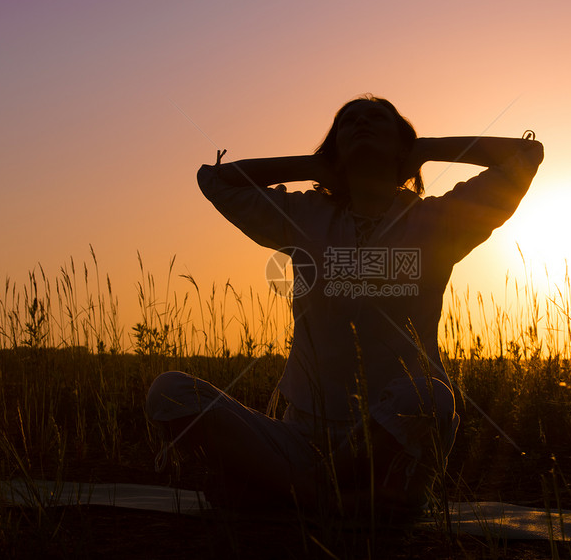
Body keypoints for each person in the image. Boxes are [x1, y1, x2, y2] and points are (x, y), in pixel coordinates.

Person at [146, 95, 543, 515]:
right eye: (347, 122)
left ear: (402, 146)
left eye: (377, 119)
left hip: (392, 438)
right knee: (169, 392)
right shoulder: (303, 214)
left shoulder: (440, 221)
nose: (361, 124)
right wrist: (315, 166)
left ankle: (288, 492)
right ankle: (327, 498)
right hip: (303, 436)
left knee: (430, 397)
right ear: (335, 146)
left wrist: (425, 148)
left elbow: (526, 153)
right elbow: (215, 180)